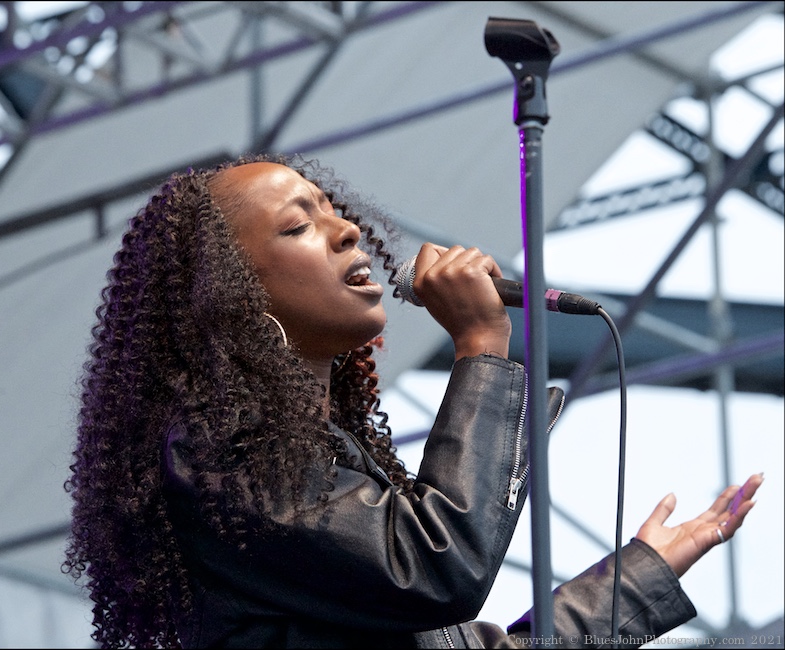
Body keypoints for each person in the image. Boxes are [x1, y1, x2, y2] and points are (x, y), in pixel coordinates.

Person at [62, 152, 763, 649]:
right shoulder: (218, 456)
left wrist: (641, 577)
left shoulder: (328, 461)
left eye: (334, 211)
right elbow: (436, 570)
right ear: (226, 294)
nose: (346, 230)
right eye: (298, 225)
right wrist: (482, 345)